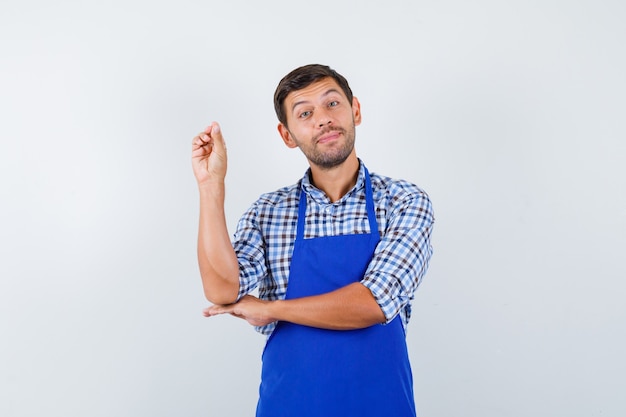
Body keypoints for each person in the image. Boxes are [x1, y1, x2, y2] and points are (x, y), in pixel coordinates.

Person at [191, 64, 434, 417]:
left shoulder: (403, 201)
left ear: (356, 110)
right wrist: (211, 187)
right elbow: (222, 290)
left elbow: (373, 302)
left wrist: (270, 309)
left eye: (332, 104)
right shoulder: (269, 212)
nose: (322, 119)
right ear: (287, 135)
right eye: (305, 113)